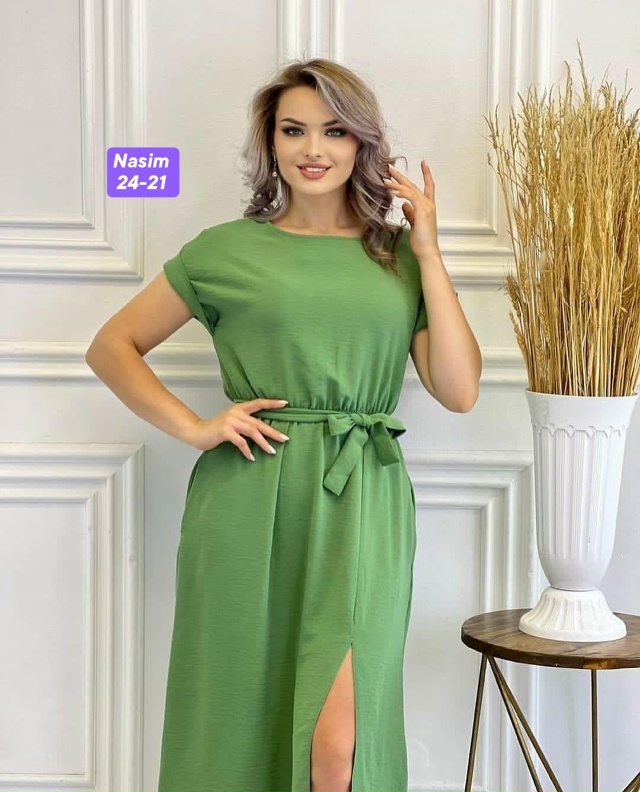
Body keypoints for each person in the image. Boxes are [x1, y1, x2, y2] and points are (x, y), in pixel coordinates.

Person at [86, 58, 481, 792]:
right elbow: (112, 346)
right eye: (293, 130)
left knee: (339, 745)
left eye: (335, 131)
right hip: (249, 493)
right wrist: (195, 426)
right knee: (242, 710)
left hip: (363, 496)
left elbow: (458, 391)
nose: (313, 149)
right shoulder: (224, 251)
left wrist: (428, 249)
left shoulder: (396, 256)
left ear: (362, 142)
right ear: (270, 142)